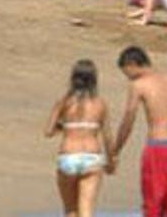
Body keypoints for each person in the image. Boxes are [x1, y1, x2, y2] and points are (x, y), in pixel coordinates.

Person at [110, 46, 167, 217]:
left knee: (152, 205)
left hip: (157, 148)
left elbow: (128, 120)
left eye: (127, 73)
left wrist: (116, 149)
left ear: (132, 64)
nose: (128, 78)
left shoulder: (138, 85)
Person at [44, 59, 115, 217]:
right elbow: (108, 137)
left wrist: (65, 127)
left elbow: (48, 131)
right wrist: (112, 161)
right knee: (87, 210)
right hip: (92, 157)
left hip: (69, 155)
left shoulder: (64, 102)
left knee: (70, 210)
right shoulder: (100, 104)